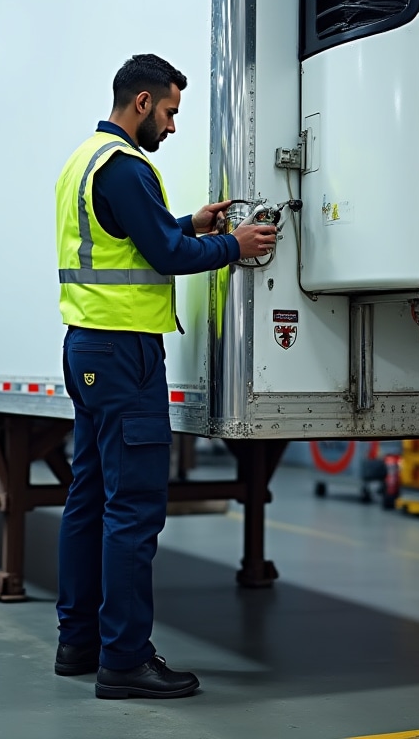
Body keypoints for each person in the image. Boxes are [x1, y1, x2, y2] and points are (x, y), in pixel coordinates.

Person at [53, 53, 277, 700]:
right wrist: (235, 244)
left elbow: (139, 237)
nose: (174, 126)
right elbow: (166, 255)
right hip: (124, 356)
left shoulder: (85, 160)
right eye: (172, 111)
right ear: (143, 103)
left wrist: (191, 223)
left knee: (89, 499)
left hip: (88, 347)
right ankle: (124, 659)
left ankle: (79, 643)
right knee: (134, 510)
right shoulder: (125, 166)